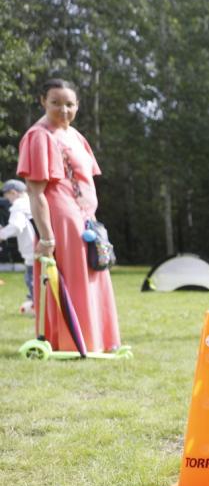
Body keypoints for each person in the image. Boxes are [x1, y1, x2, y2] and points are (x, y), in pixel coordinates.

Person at [17, 78, 121, 352]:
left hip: (86, 219)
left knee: (94, 274)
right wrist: (47, 237)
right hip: (62, 220)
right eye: (56, 103)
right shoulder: (39, 136)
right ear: (43, 101)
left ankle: (97, 339)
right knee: (74, 279)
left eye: (69, 104)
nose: (63, 110)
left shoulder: (75, 135)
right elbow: (36, 192)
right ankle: (73, 341)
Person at [1, 180, 35, 314]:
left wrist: (2, 234)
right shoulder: (30, 203)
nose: (8, 200)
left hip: (31, 250)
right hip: (37, 246)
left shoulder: (18, 206)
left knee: (31, 279)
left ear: (13, 193)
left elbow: (16, 226)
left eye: (7, 196)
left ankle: (36, 307)